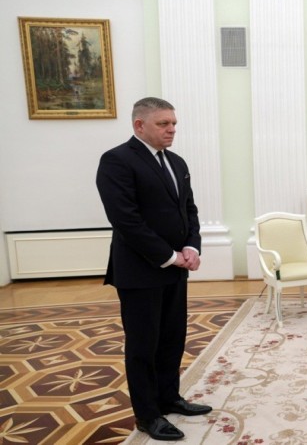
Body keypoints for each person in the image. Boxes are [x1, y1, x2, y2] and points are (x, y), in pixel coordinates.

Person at [96, 97, 211, 441]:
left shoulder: (176, 161)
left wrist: (191, 246)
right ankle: (148, 415)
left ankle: (169, 398)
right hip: (140, 271)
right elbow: (125, 220)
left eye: (173, 123)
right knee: (143, 346)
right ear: (139, 125)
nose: (171, 129)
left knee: (172, 339)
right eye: (163, 123)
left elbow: (189, 210)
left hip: (176, 268)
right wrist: (169, 256)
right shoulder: (117, 160)